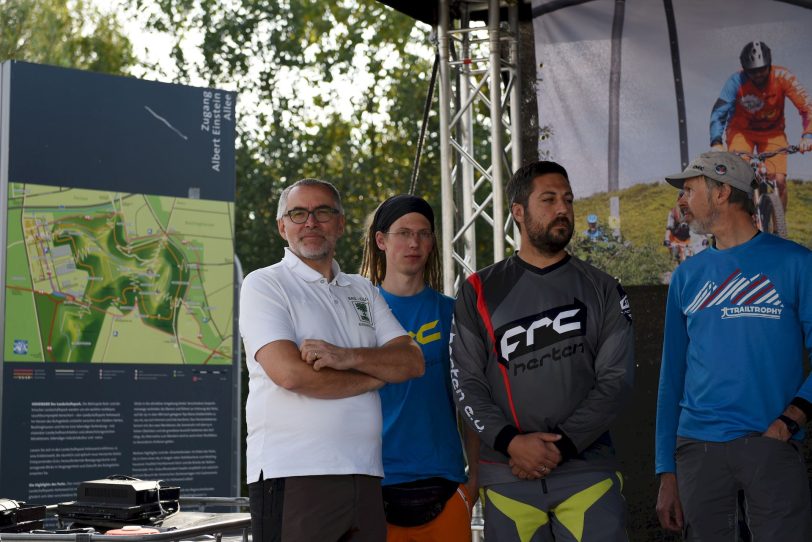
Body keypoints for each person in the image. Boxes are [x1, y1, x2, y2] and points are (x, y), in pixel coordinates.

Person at [450, 160, 635, 541]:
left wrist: (562, 447)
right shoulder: (478, 290)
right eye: (548, 199)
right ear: (518, 212)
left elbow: (616, 382)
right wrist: (511, 443)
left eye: (567, 199)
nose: (563, 208)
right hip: (507, 477)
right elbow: (465, 383)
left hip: (588, 473)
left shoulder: (603, 288)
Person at [239, 178, 425, 542]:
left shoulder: (362, 289)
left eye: (323, 212)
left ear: (340, 224)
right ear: (282, 226)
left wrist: (345, 357)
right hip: (294, 474)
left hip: (366, 473)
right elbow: (291, 375)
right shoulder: (264, 284)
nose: (311, 222)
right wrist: (374, 375)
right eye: (298, 213)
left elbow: (412, 361)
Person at [655, 151, 812, 540]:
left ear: (722, 191)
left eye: (689, 190)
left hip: (771, 442)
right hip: (697, 451)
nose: (682, 201)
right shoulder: (686, 276)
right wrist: (666, 471)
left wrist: (790, 421)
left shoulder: (796, 263)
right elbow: (670, 378)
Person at [359, 194, 479, 542]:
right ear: (381, 240)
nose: (414, 243)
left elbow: (469, 399)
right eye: (403, 232)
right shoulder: (358, 314)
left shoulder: (454, 312)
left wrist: (474, 479)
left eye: (424, 233)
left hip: (444, 481)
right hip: (374, 482)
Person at [710, 41, 812, 210]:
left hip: (772, 133)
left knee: (779, 180)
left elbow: (806, 107)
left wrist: (808, 135)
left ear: (769, 65)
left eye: (762, 70)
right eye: (753, 72)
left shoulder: (783, 77)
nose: (758, 75)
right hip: (741, 132)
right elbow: (719, 111)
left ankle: (779, 228)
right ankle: (743, 219)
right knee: (740, 178)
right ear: (745, 69)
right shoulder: (736, 81)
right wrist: (716, 142)